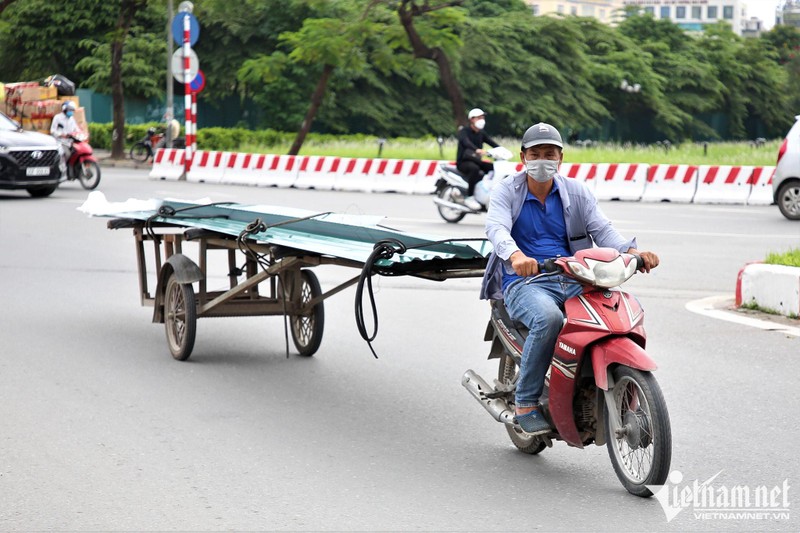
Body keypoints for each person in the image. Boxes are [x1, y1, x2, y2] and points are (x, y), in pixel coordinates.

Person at [479, 122, 659, 436]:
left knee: (618, 312)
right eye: (535, 154)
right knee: (548, 319)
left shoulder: (577, 191)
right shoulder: (508, 189)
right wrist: (516, 256)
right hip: (524, 281)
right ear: (523, 157)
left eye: (549, 153)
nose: (542, 160)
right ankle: (525, 400)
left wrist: (633, 251)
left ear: (561, 158)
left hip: (574, 276)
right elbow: (497, 228)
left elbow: (602, 230)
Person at [456, 108, 499, 210]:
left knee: (492, 167)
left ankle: (485, 192)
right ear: (472, 119)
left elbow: (492, 143)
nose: (482, 120)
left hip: (477, 161)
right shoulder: (464, 131)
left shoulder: (481, 133)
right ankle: (469, 197)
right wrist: (477, 150)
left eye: (483, 117)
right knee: (474, 169)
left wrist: (502, 150)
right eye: (479, 117)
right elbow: (466, 142)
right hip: (463, 162)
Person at [50, 101, 80, 165]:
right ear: (65, 109)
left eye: (72, 110)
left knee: (77, 153)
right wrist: (61, 135)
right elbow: (52, 131)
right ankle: (62, 167)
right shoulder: (57, 117)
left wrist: (80, 133)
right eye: (70, 110)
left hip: (70, 141)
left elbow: (76, 129)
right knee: (67, 154)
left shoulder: (71, 118)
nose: (71, 112)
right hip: (61, 142)